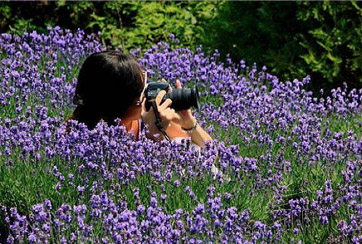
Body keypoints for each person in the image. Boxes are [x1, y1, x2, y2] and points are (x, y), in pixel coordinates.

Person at [69, 50, 213, 148]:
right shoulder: (84, 139)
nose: (148, 91)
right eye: (142, 89)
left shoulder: (144, 118)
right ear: (121, 103)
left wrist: (188, 122)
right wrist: (154, 135)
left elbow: (211, 156)